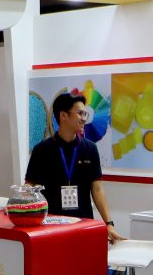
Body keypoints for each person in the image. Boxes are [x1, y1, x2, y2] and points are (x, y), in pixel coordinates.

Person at [24, 92, 123, 243]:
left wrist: (108, 224)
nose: (84, 118)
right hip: (50, 227)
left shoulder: (90, 149)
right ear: (63, 116)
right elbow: (29, 188)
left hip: (83, 224)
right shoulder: (42, 150)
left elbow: (97, 189)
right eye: (80, 113)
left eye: (85, 114)